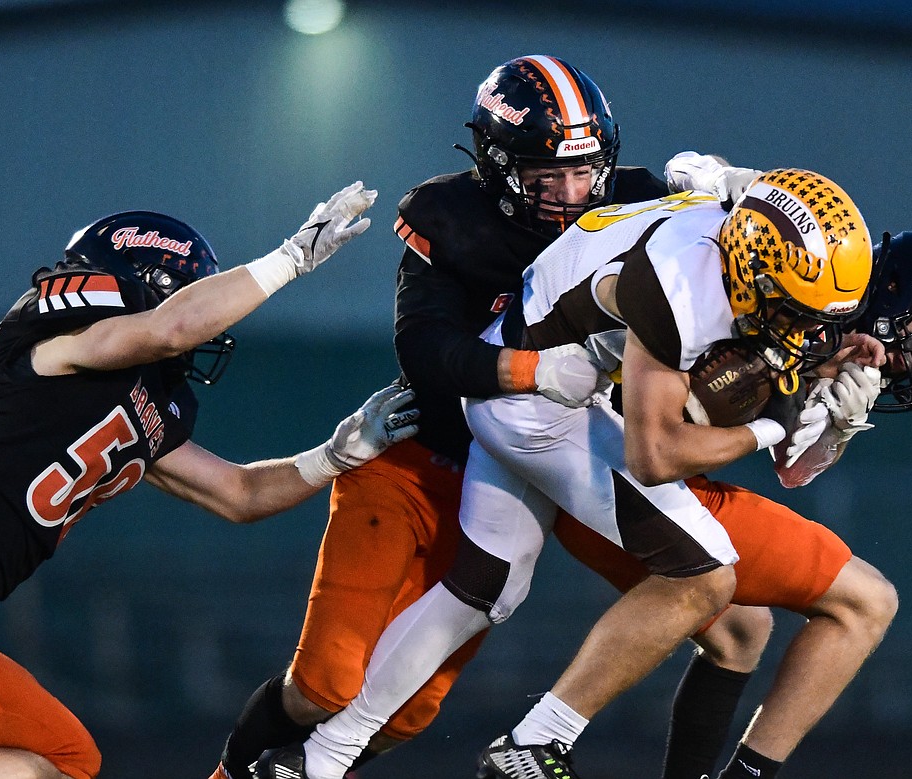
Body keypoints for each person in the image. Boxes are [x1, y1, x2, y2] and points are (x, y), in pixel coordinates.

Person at [209, 55, 759, 779]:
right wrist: (534, 370)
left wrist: (723, 181)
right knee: (324, 686)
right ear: (499, 167)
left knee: (413, 706)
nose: (570, 193)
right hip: (417, 454)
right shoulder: (450, 217)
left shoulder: (630, 194)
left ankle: (311, 767)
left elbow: (726, 225)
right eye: (545, 177)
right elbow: (426, 349)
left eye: (583, 171)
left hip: (516, 460)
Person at [273, 166, 875, 779]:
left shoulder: (728, 221)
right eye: (793, 310)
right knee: (706, 576)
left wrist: (820, 374)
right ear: (752, 265)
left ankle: (321, 756)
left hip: (524, 375)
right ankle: (536, 743)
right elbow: (656, 457)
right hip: (537, 404)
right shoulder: (681, 288)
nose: (802, 330)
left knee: (485, 587)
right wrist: (775, 425)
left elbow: (722, 176)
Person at [0, 183, 422, 779]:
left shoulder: (138, 402)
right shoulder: (63, 338)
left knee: (63, 760)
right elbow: (169, 330)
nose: (203, 332)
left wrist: (333, 455)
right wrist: (290, 259)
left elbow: (238, 493)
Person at [560, 229, 912, 779]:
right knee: (867, 603)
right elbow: (699, 417)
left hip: (608, 473)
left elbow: (792, 465)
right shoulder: (795, 290)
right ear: (900, 298)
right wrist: (785, 403)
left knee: (741, 631)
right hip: (622, 465)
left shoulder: (831, 328)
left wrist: (835, 427)